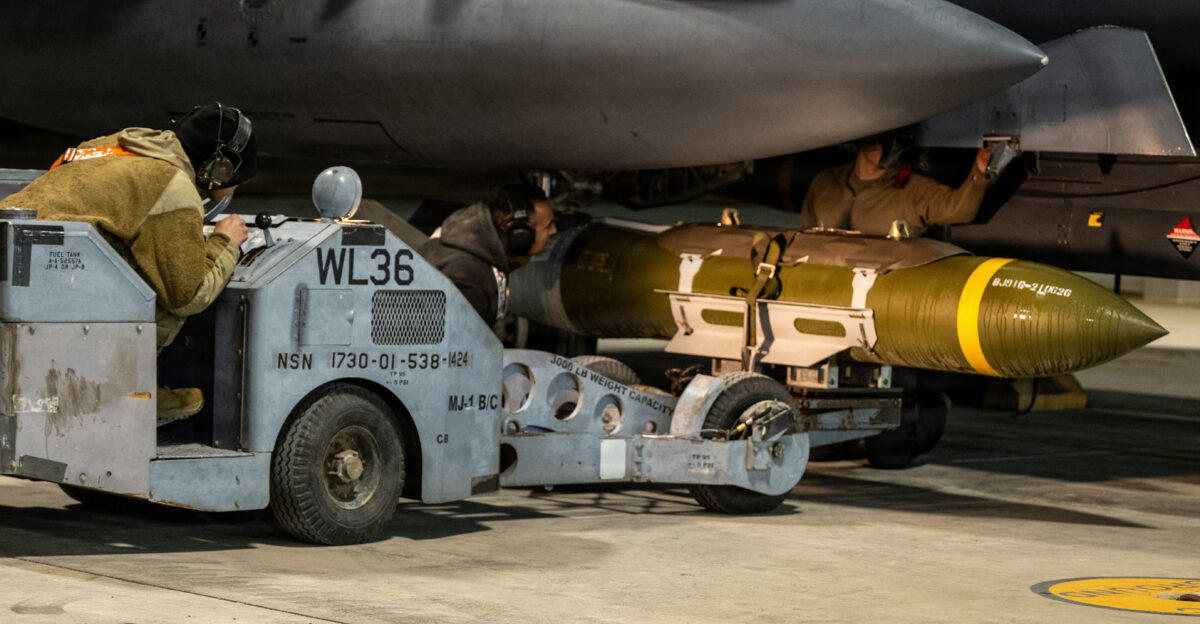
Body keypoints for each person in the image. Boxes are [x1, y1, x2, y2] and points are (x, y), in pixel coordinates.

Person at [0, 103, 256, 421]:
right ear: (219, 168)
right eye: (238, 178)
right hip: (55, 292)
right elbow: (189, 295)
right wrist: (224, 242)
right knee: (173, 281)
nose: (237, 186)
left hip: (21, 270)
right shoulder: (170, 183)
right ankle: (124, 389)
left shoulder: (111, 145)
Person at [420, 184, 557, 323]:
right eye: (548, 226)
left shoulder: (454, 245)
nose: (554, 230)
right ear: (520, 234)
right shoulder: (470, 277)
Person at [801, 140, 994, 237]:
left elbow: (958, 210)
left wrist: (979, 171)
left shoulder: (912, 190)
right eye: (878, 139)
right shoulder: (826, 182)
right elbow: (806, 236)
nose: (883, 145)